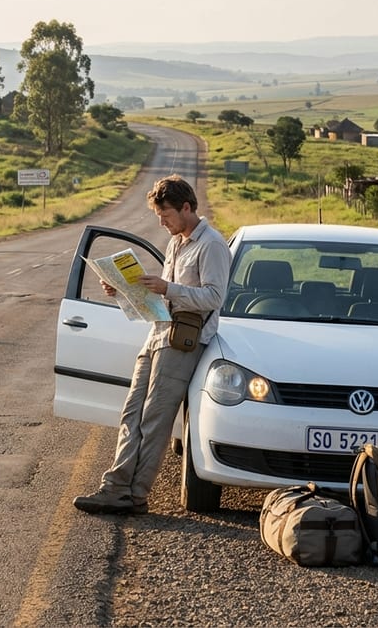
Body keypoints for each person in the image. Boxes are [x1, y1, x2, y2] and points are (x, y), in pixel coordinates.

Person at [73, 175, 231, 516]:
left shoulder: (212, 245)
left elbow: (215, 297)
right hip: (158, 334)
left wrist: (166, 288)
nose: (162, 222)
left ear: (187, 207)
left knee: (155, 420)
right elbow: (162, 292)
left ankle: (134, 494)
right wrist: (125, 291)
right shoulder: (176, 242)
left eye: (166, 215)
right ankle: (115, 487)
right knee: (132, 412)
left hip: (183, 341)